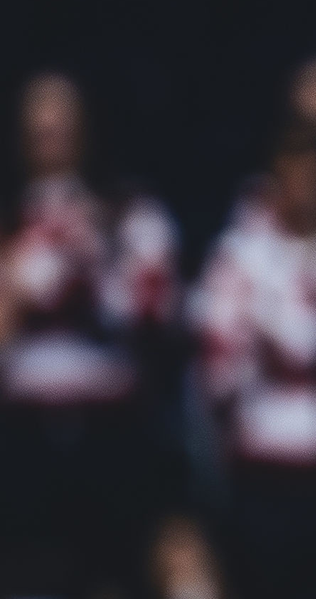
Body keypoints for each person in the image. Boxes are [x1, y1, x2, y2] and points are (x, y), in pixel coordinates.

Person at [0, 71, 183, 595]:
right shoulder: (7, 222)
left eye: (63, 121)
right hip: (22, 435)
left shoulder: (130, 210)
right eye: (38, 123)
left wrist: (92, 254)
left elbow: (156, 314)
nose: (50, 132)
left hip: (111, 432)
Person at [192, 126, 316, 598]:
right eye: (290, 178)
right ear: (272, 183)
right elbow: (216, 374)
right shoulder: (240, 257)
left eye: (314, 177)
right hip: (267, 480)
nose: (303, 191)